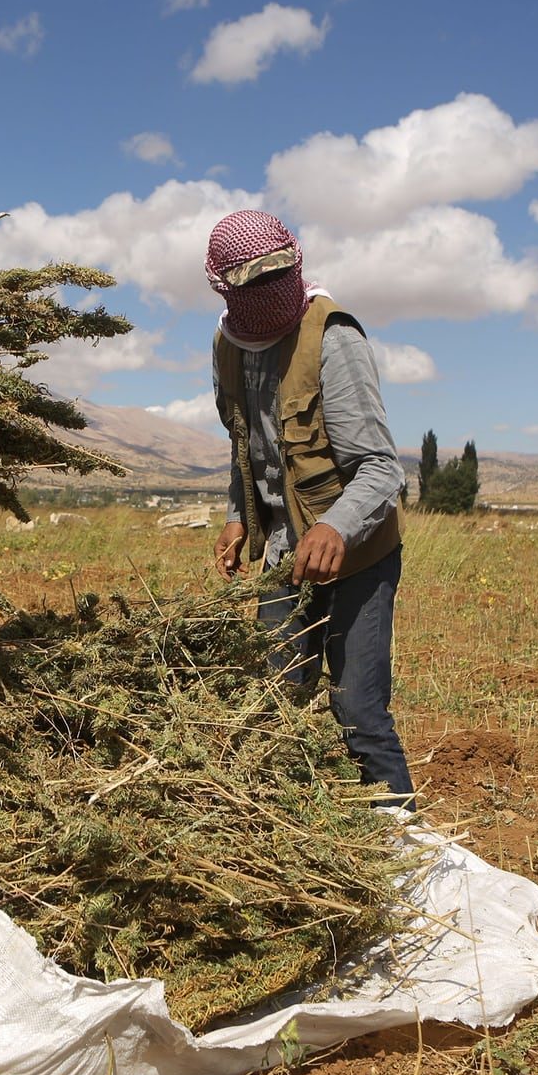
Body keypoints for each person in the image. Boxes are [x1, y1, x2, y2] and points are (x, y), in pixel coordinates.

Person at [204, 210, 415, 810]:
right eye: (253, 287)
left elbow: (381, 470)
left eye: (278, 279)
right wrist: (239, 515)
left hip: (359, 555)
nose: (270, 297)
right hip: (282, 554)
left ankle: (404, 849)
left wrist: (333, 526)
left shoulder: (334, 337)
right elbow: (248, 448)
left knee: (359, 707)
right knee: (276, 700)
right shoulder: (228, 348)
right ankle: (293, 838)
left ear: (294, 267)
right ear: (226, 290)